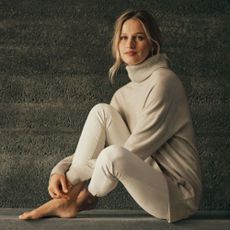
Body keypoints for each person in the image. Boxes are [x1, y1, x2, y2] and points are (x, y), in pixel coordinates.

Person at [19, 9, 202, 223]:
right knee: (101, 111)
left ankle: (74, 199)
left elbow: (132, 150)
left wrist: (78, 181)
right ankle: (68, 200)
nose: (130, 45)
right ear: (117, 43)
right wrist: (59, 170)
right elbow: (101, 147)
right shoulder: (122, 95)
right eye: (124, 37)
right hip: (146, 172)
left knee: (112, 156)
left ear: (153, 44)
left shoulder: (164, 82)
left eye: (139, 38)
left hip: (178, 196)